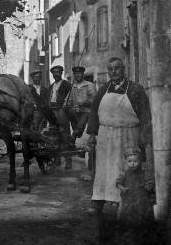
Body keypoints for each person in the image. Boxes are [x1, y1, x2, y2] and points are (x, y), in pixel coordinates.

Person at [87, 57, 152, 215]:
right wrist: (92, 134)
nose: (113, 72)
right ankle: (98, 201)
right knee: (103, 170)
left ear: (124, 69)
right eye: (110, 69)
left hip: (129, 135)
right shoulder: (103, 90)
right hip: (105, 136)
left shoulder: (136, 89)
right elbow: (94, 113)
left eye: (117, 68)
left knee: (128, 168)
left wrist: (145, 137)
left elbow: (145, 115)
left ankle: (126, 203)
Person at [116, 147, 155, 225]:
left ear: (140, 161)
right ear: (126, 162)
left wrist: (149, 186)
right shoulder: (124, 174)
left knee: (142, 212)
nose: (132, 163)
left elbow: (150, 182)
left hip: (141, 198)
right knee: (128, 213)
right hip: (128, 198)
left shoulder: (144, 173)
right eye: (129, 161)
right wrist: (123, 189)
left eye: (135, 161)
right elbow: (118, 183)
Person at [58, 66, 97, 144]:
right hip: (75, 111)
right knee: (62, 111)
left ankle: (76, 133)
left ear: (83, 75)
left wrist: (86, 102)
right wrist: (65, 105)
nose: (77, 75)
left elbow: (94, 100)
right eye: (75, 74)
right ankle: (63, 132)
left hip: (86, 110)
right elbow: (68, 100)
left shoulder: (90, 85)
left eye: (79, 73)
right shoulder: (73, 87)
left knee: (85, 116)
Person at [48, 65, 72, 168]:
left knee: (64, 135)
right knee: (53, 136)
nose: (55, 74)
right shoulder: (51, 86)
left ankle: (68, 161)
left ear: (61, 73)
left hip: (62, 111)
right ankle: (57, 160)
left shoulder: (67, 85)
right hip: (52, 111)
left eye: (57, 72)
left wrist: (66, 105)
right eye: (54, 73)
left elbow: (71, 98)